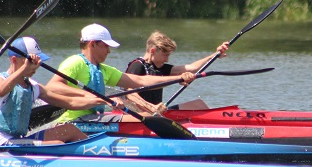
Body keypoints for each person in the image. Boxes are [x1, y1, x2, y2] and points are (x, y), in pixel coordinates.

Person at [45, 23, 198, 123]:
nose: (109, 51)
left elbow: (140, 81)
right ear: (92, 44)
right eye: (105, 46)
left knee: (149, 117)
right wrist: (90, 96)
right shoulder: (75, 62)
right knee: (149, 118)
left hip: (93, 119)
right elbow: (52, 87)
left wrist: (178, 78)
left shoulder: (102, 69)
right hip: (74, 120)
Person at [0, 36, 100, 147]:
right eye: (32, 62)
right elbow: (0, 91)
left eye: (38, 62)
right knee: (56, 144)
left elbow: (70, 102)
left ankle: (97, 153)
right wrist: (24, 69)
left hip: (17, 140)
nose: (36, 66)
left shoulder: (33, 87)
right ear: (14, 60)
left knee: (69, 130)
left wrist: (100, 101)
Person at [125, 31, 229, 108]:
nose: (167, 60)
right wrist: (150, 108)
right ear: (152, 51)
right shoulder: (137, 66)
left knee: (199, 104)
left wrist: (215, 55)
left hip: (157, 113)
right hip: (138, 115)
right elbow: (129, 94)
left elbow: (192, 68)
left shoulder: (160, 67)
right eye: (165, 55)